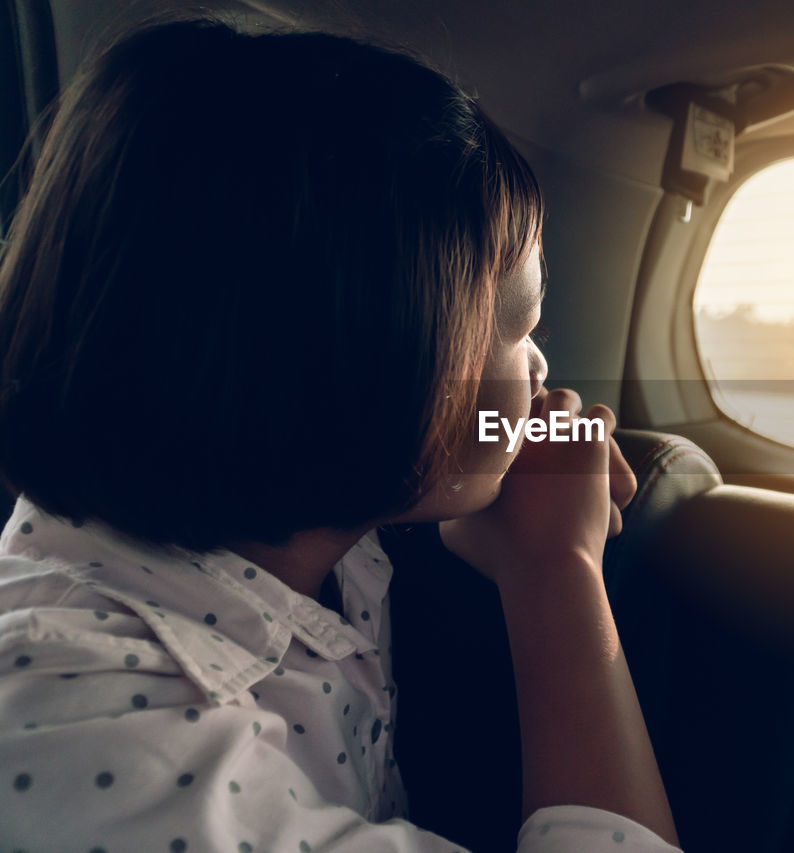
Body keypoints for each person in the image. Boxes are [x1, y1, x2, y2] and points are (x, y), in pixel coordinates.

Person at [0, 18, 679, 853]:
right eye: (520, 326)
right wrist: (557, 569)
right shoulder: (92, 735)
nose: (542, 371)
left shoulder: (303, 527)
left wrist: (487, 440)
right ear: (366, 352)